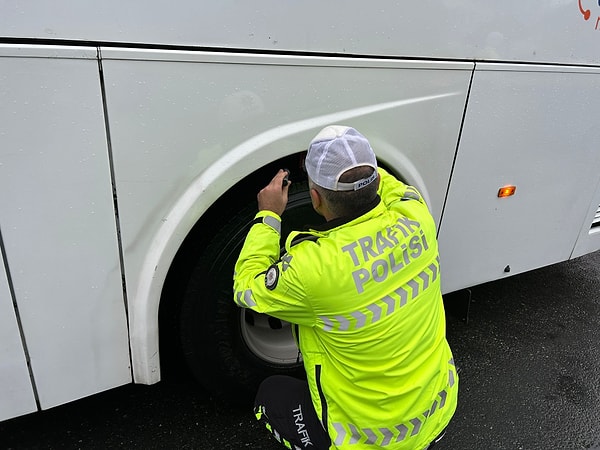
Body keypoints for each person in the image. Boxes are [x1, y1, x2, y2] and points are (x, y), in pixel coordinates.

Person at [233, 125, 458, 449]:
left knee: (269, 396)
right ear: (376, 181)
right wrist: (348, 160)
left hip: (371, 442)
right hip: (437, 411)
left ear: (314, 198)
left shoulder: (314, 270)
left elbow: (246, 288)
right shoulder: (415, 214)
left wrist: (268, 216)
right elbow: (386, 184)